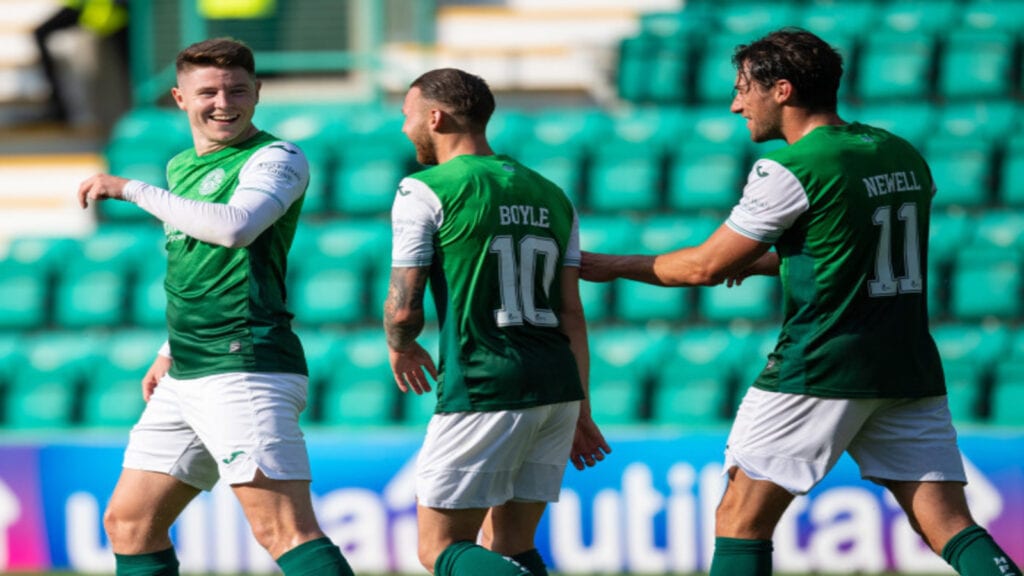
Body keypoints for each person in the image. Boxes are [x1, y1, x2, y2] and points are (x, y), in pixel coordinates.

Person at [581, 28, 1021, 576]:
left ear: (782, 91)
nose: (736, 103)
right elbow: (850, 244)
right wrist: (776, 260)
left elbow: (704, 266)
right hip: (905, 365)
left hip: (820, 363)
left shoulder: (793, 168)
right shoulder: (901, 152)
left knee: (740, 519)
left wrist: (609, 266)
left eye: (744, 89)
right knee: (949, 524)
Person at [77, 37, 354, 576]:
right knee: (129, 523)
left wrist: (131, 189)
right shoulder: (182, 165)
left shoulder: (277, 157)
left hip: (244, 363)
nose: (223, 102)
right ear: (180, 98)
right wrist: (166, 349)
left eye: (237, 90)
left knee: (284, 530)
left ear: (258, 93)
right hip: (189, 366)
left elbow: (235, 229)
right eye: (208, 91)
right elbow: (197, 266)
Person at [383, 67, 611, 576]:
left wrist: (400, 343)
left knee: (440, 549)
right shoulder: (553, 194)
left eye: (407, 115)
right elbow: (572, 312)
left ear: (435, 117)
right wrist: (581, 407)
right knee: (510, 543)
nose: (404, 128)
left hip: (486, 382)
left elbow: (403, 307)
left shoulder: (424, 190)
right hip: (555, 386)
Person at [33, 0, 129, 122]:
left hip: (117, 13)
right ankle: (59, 109)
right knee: (41, 33)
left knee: (134, 65)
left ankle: (143, 108)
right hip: (97, 10)